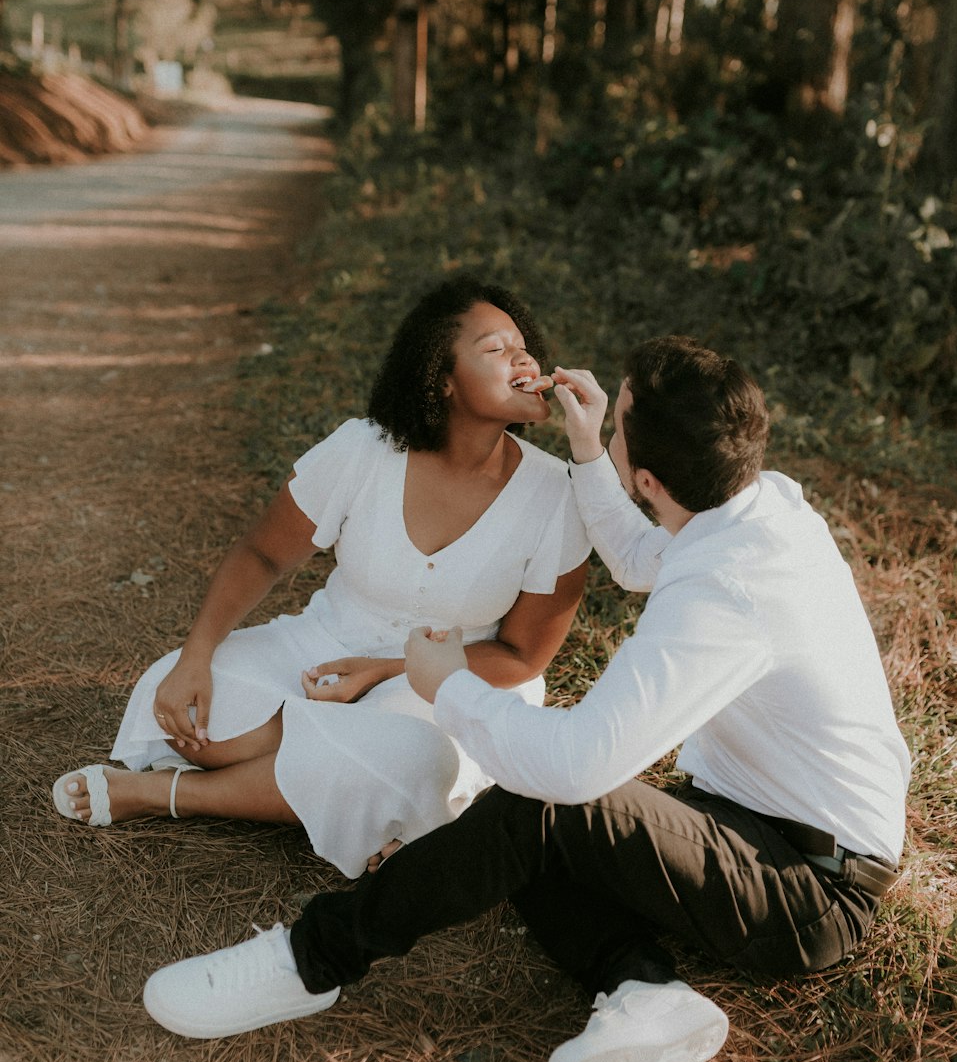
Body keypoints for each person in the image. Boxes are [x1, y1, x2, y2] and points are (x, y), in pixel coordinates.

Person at [141, 335, 910, 1062]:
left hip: (812, 888)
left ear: (645, 477)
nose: (605, 426)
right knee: (539, 818)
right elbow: (644, 560)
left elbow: (577, 767)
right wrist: (588, 448)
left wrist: (445, 685)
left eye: (617, 424)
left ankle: (311, 959)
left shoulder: (726, 596)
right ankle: (644, 991)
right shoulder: (759, 502)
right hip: (745, 822)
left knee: (538, 800)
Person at [52, 277, 590, 877]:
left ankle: (164, 793)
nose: (524, 358)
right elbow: (262, 554)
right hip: (320, 648)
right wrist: (197, 656)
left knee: (416, 758)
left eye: (524, 347)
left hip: (457, 681)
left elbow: (521, 656)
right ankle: (340, 775)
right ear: (442, 378)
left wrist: (387, 672)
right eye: (496, 349)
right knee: (183, 699)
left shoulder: (558, 495)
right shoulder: (364, 450)